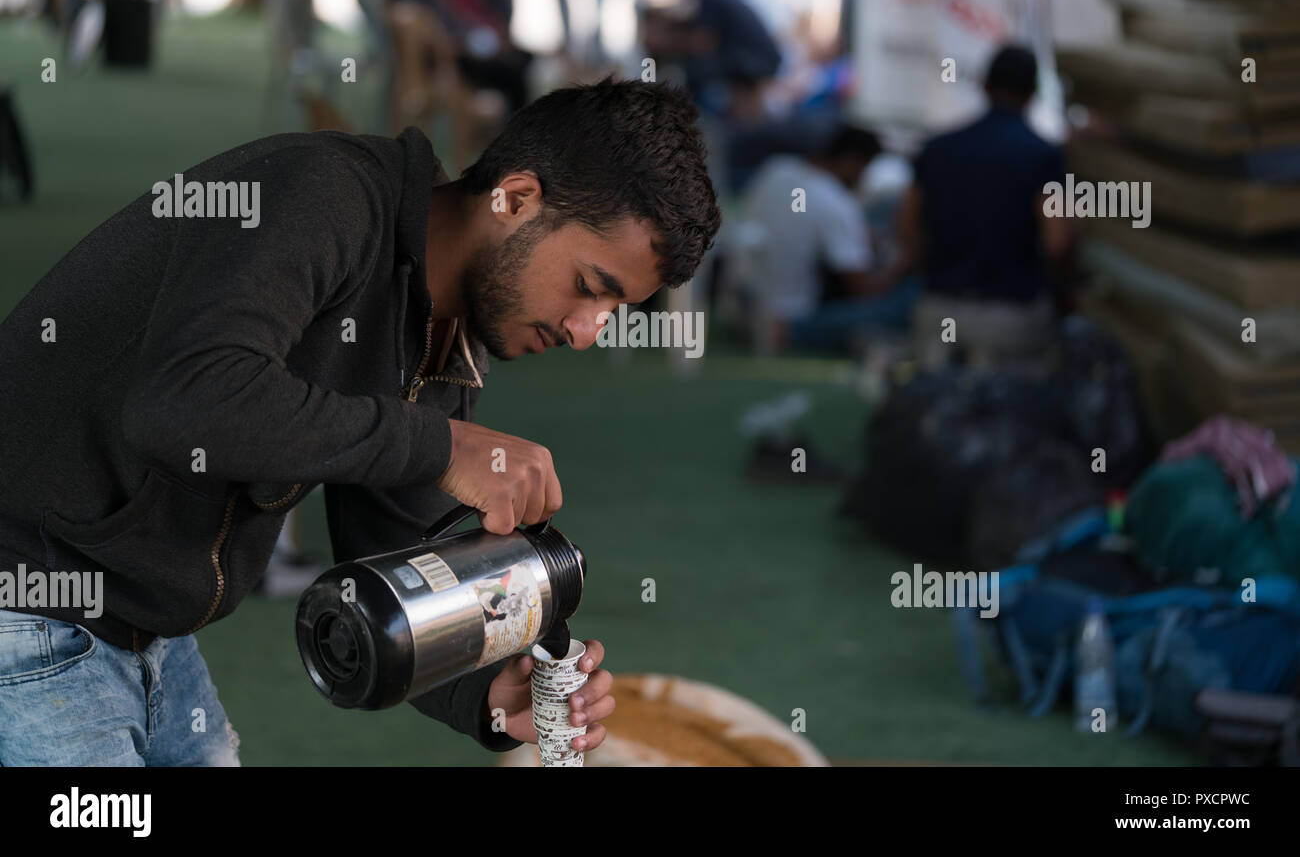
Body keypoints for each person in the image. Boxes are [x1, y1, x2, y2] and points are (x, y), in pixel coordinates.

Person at [0, 78, 722, 765]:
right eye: (591, 287)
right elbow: (186, 401)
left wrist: (484, 690)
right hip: (28, 600)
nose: (589, 330)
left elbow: (391, 543)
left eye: (617, 309)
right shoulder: (323, 194)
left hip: (144, 631)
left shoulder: (451, 328)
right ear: (516, 196)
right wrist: (439, 444)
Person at [895, 44, 1072, 368]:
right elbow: (1056, 242)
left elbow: (906, 224)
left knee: (935, 409)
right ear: (1033, 92)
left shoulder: (937, 148)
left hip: (939, 310)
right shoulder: (1042, 156)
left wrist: (929, 269)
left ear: (983, 84)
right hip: (1010, 318)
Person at [736, 124, 904, 353]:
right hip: (791, 315)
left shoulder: (776, 167)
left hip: (747, 297)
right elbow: (862, 289)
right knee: (904, 303)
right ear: (852, 161)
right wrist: (904, 264)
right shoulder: (837, 203)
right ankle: (791, 332)